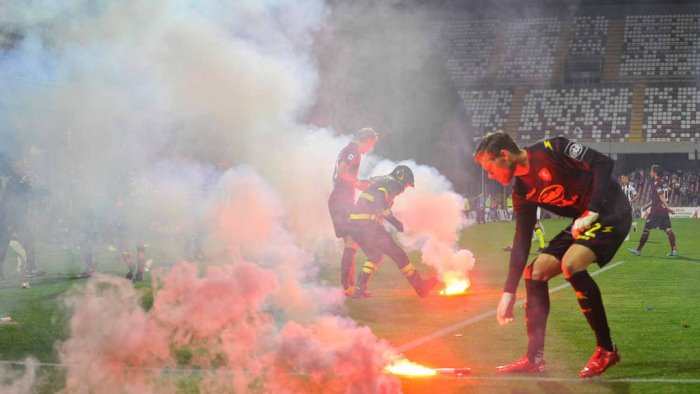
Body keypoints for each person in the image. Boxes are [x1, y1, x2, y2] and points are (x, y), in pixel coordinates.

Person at [474, 131, 631, 378]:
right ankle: (534, 358)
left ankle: (606, 349)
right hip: (584, 220)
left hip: (610, 211)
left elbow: (603, 162)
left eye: (489, 167)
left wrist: (591, 210)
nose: (489, 175)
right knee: (535, 272)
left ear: (504, 155)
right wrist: (508, 291)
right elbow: (522, 238)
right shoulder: (522, 191)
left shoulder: (552, 148)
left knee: (572, 264)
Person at [348, 165, 437, 298]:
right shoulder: (392, 184)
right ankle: (421, 287)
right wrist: (395, 222)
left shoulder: (382, 182)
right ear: (401, 178)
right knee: (398, 254)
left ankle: (359, 288)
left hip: (355, 225)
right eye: (406, 185)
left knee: (375, 256)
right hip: (367, 224)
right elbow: (380, 203)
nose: (404, 189)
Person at [328, 127, 378, 295]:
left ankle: (350, 286)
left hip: (342, 200)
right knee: (351, 240)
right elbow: (342, 172)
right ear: (366, 141)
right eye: (370, 145)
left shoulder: (348, 150)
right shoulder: (352, 151)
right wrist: (358, 184)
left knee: (352, 241)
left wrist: (360, 183)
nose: (368, 150)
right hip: (342, 201)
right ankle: (347, 287)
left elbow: (344, 175)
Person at [0, 159, 44, 279]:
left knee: (28, 241)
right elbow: (17, 198)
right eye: (22, 168)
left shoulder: (18, 180)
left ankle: (31, 269)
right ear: (17, 170)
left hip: (16, 217)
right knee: (3, 245)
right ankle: (30, 269)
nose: (25, 170)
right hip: (9, 218)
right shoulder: (14, 182)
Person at [628, 165, 677, 257]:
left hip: (656, 211)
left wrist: (668, 207)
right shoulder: (664, 182)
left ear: (655, 172)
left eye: (651, 171)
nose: (650, 173)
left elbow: (661, 196)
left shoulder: (656, 183)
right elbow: (658, 198)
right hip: (663, 211)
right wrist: (647, 206)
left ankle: (638, 250)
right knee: (668, 230)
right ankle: (674, 250)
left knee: (647, 229)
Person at [619, 174, 639, 240]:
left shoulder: (630, 187)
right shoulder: (620, 187)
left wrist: (631, 200)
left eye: (623, 178)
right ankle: (634, 225)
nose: (622, 179)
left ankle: (627, 236)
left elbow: (637, 195)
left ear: (626, 179)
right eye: (621, 178)